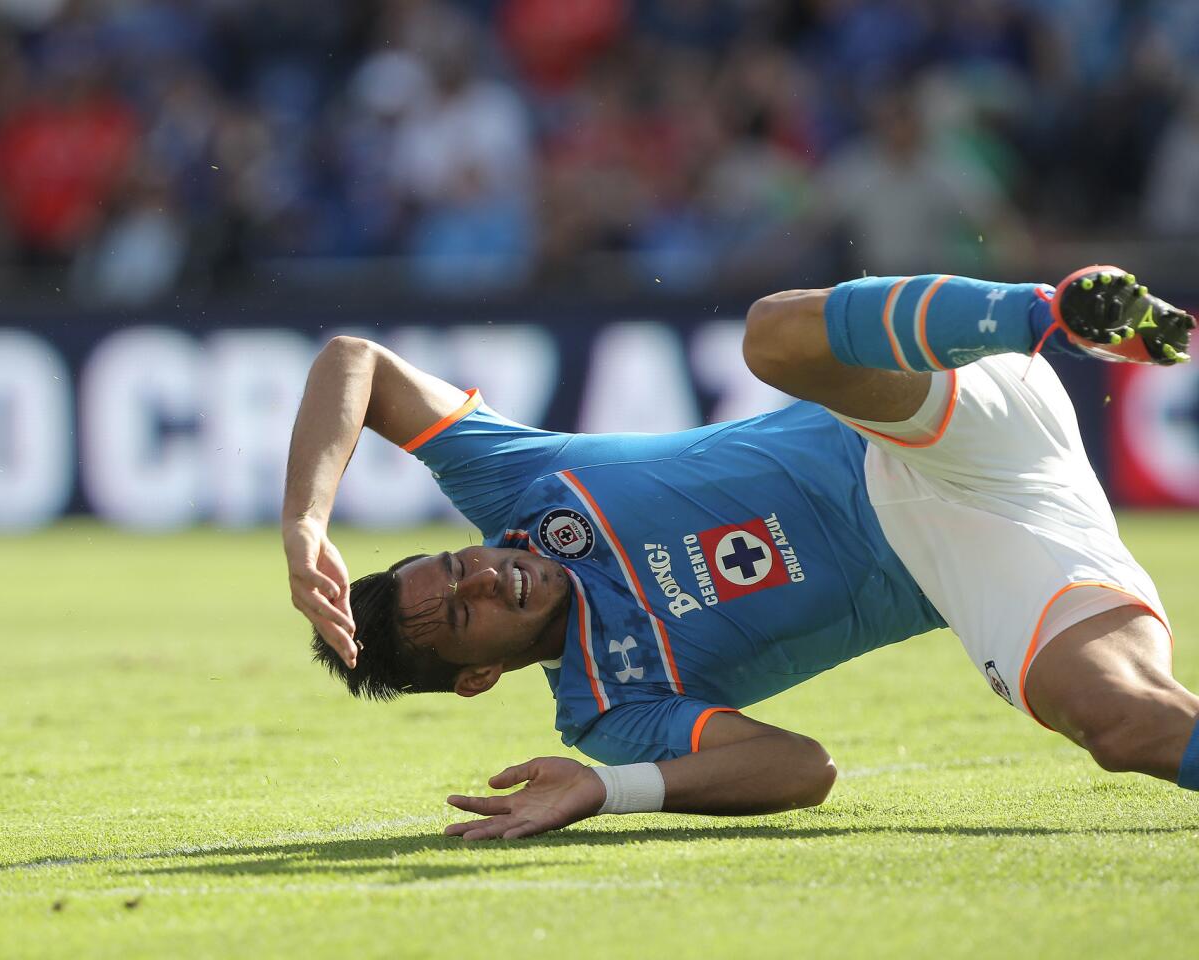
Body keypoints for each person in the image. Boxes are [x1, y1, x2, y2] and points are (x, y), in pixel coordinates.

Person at [282, 266, 1197, 841]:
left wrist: (306, 523)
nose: (482, 577)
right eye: (462, 616)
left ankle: (1048, 313)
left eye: (453, 566)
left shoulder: (515, 491)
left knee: (771, 335)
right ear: (479, 678)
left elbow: (356, 362)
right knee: (1124, 725)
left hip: (914, 426)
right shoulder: (609, 712)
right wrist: (609, 789)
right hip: (972, 556)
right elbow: (804, 769)